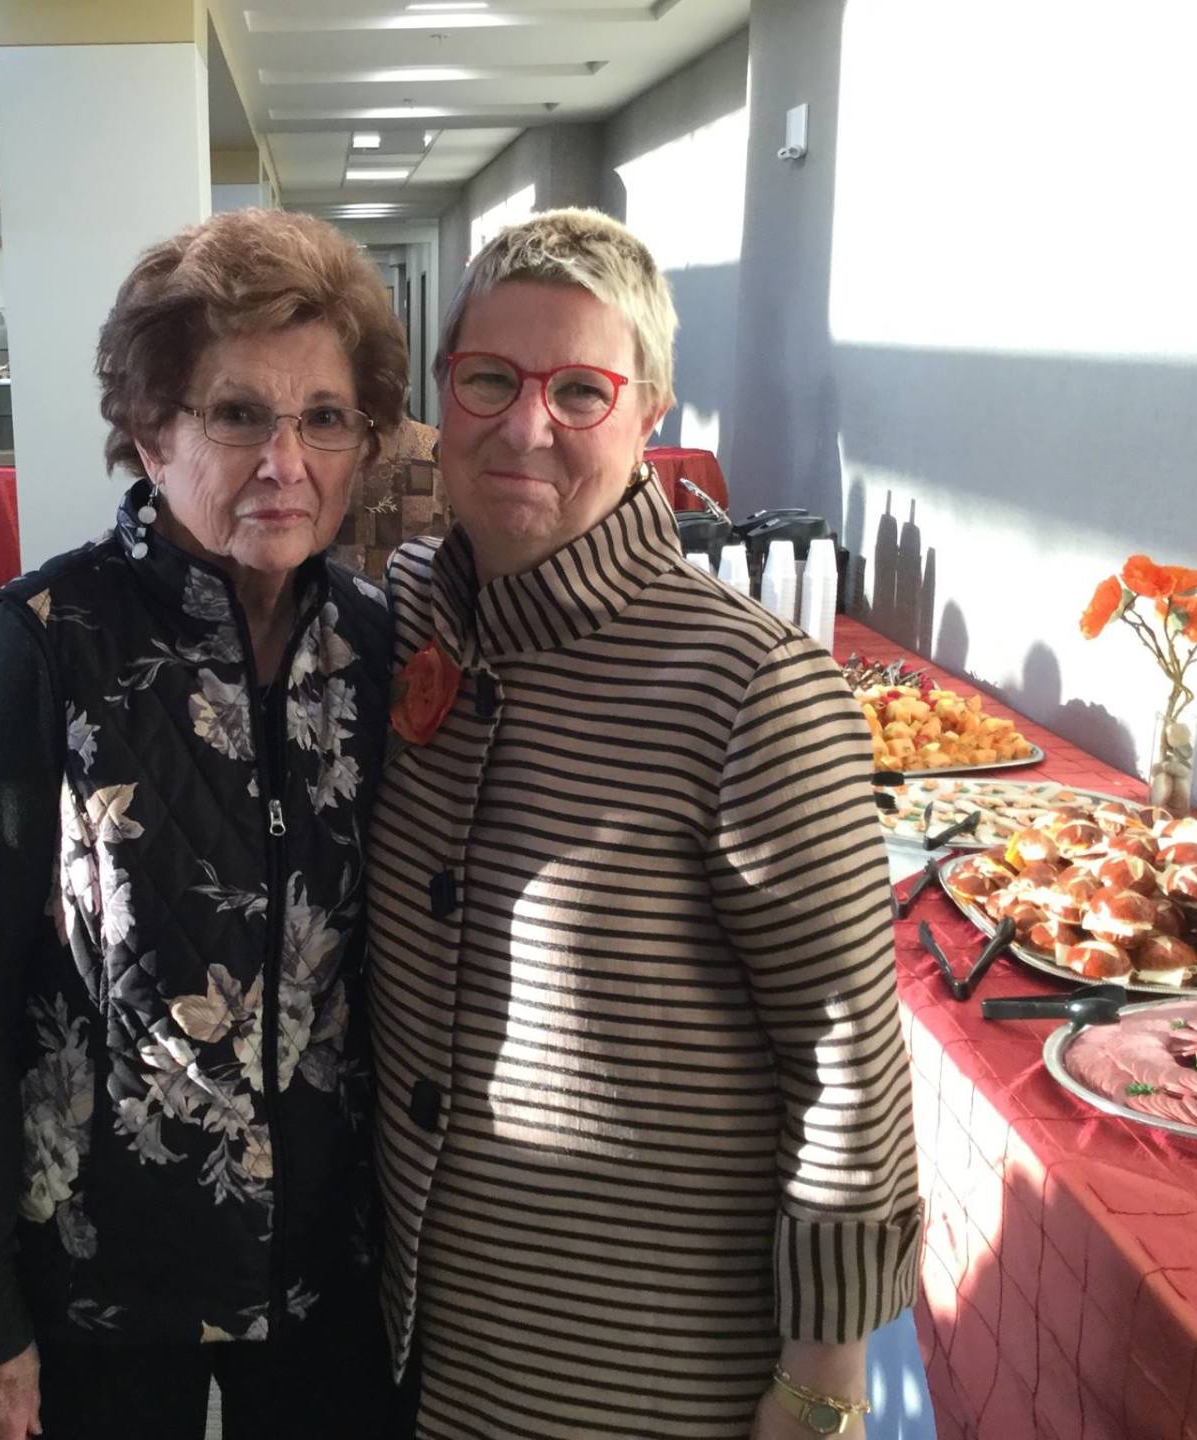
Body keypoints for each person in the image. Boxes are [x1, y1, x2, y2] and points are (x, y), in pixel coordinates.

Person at [366, 208, 922, 1440]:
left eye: (579, 390)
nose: (524, 425)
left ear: (649, 413)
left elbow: (845, 1062)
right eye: (491, 379)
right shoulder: (405, 614)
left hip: (644, 1373)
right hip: (416, 1339)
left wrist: (820, 1389)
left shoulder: (747, 686)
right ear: (441, 393)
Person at [0, 209, 408, 1440]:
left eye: (326, 419)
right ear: (150, 430)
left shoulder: (378, 645)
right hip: (98, 1261)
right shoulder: (41, 642)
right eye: (239, 414)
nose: (286, 461)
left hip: (325, 1265)